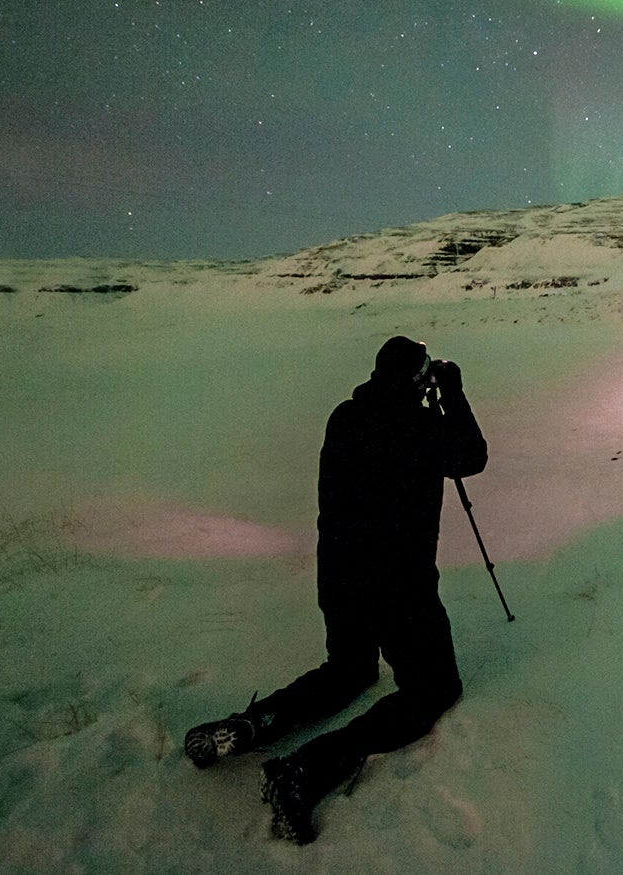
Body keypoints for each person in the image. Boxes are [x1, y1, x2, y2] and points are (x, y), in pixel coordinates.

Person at [181, 335, 489, 844]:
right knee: (434, 689)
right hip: (399, 589)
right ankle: (308, 767)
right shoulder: (420, 427)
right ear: (418, 382)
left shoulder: (343, 418)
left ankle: (255, 723)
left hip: (340, 575)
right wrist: (451, 391)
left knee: (349, 670)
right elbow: (472, 455)